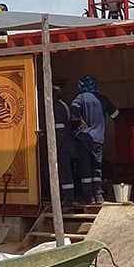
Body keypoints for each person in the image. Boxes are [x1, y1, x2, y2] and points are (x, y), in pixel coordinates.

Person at [70, 75, 120, 204]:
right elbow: (116, 116)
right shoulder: (103, 99)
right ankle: (99, 195)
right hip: (97, 139)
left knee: (85, 167)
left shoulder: (80, 98)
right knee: (96, 167)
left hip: (82, 139)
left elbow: (73, 110)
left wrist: (79, 121)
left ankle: (89, 197)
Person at [52, 82, 76, 212]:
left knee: (65, 173)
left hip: (62, 146)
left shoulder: (57, 107)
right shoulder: (64, 106)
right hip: (66, 145)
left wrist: (54, 147)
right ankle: (67, 200)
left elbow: (59, 129)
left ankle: (67, 202)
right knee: (65, 173)